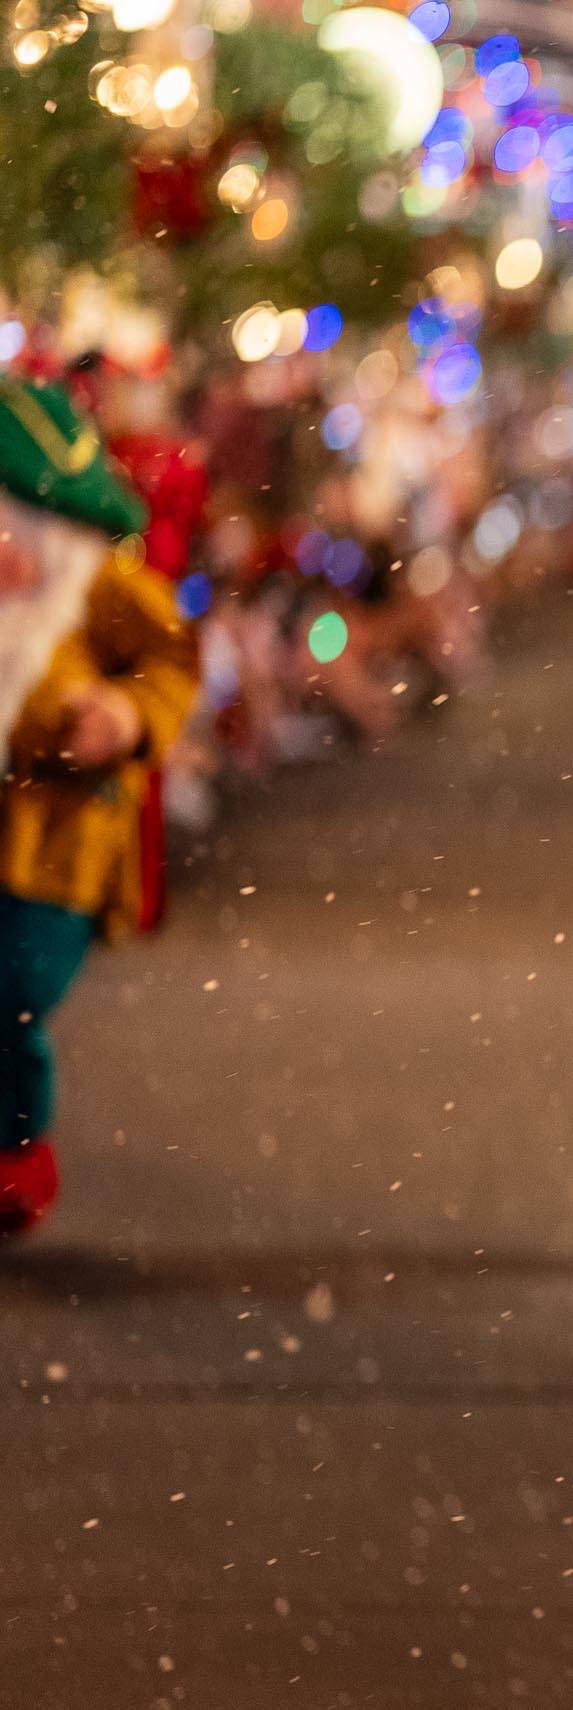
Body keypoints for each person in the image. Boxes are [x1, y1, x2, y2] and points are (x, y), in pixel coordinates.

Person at [0, 379, 199, 1237]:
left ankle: (13, 1145)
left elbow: (170, 665)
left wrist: (123, 716)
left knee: (14, 988)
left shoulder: (97, 584)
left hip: (59, 836)